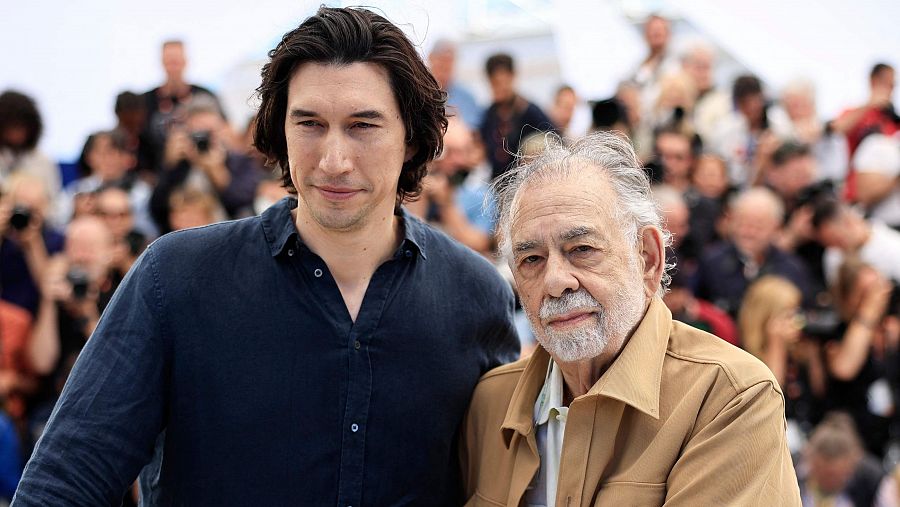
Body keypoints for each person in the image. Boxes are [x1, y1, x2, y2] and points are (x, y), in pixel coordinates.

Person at [13, 7, 518, 505]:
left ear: (410, 138)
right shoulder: (177, 278)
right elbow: (67, 478)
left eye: (363, 125)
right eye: (310, 124)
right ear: (279, 130)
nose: (334, 161)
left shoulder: (476, 296)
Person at [460, 131, 800, 505]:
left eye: (582, 249)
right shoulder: (488, 404)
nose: (556, 282)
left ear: (649, 258)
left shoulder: (728, 396)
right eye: (532, 260)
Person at [149, 97, 262, 233]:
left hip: (228, 234)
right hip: (181, 236)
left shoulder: (238, 161)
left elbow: (245, 205)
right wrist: (169, 166)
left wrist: (217, 172)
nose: (204, 140)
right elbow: (156, 210)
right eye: (198, 134)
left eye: (209, 133)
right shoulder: (177, 165)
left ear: (222, 130)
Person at [142, 40, 223, 173]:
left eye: (177, 62)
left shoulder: (206, 96)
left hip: (205, 168)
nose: (173, 67)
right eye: (169, 62)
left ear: (185, 62)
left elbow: (226, 130)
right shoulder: (146, 101)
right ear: (162, 63)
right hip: (160, 172)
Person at [480, 52, 556, 179]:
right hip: (497, 186)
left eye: (502, 82)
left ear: (512, 77)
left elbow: (555, 140)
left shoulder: (531, 112)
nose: (499, 88)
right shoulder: (489, 115)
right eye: (494, 83)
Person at [427, 39, 482, 129]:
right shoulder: (418, 92)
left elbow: (472, 134)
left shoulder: (467, 97)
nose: (445, 65)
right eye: (441, 58)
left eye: (450, 60)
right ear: (430, 57)